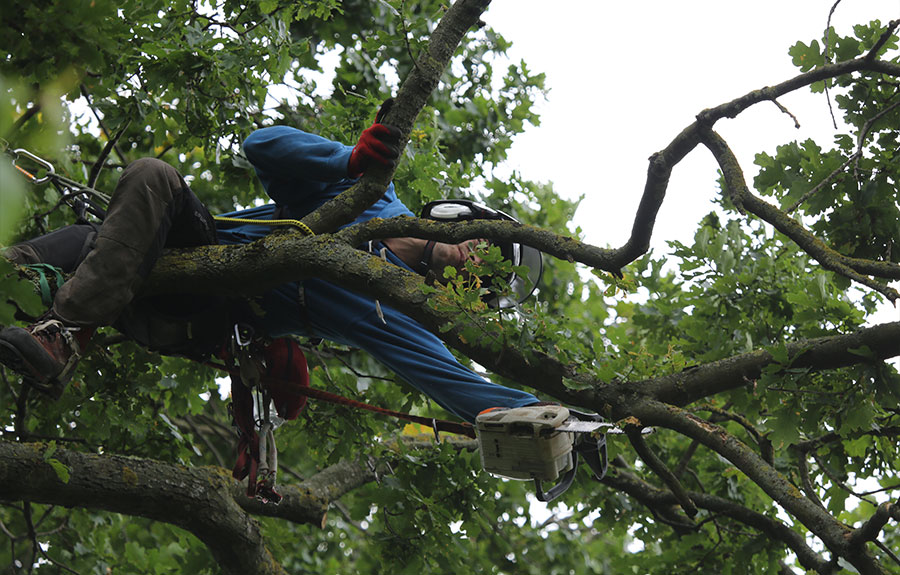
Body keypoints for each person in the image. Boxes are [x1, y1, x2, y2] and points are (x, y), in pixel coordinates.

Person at [0, 117, 542, 423]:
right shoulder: (371, 196)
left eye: (487, 275)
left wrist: (558, 419)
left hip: (208, 311)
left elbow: (463, 388)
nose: (477, 260)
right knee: (141, 186)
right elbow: (261, 145)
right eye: (487, 246)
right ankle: (33, 304)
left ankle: (64, 334)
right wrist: (348, 162)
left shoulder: (399, 310)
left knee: (107, 231)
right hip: (181, 249)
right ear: (462, 216)